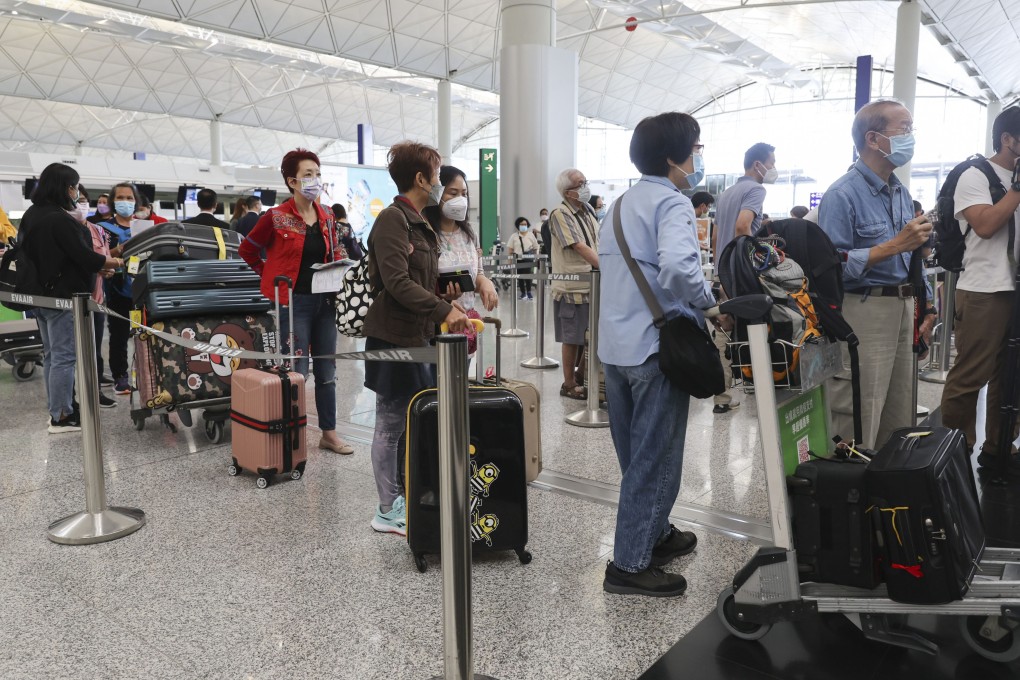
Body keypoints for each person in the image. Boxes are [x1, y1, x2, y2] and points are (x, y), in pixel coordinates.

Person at [598, 111, 721, 597]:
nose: (698, 156)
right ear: (674, 157)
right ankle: (628, 564)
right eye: (695, 147)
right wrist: (710, 306)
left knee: (636, 454)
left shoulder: (620, 203)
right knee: (657, 458)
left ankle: (656, 531)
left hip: (615, 346)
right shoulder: (672, 204)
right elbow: (678, 271)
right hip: (655, 348)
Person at [362, 141, 469, 536]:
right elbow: (396, 282)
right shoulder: (393, 220)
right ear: (421, 179)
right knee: (390, 425)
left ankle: (403, 495)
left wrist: (447, 293)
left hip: (419, 336)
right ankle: (386, 508)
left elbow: (421, 279)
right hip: (393, 338)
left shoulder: (419, 221)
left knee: (409, 421)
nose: (441, 182)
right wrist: (445, 310)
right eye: (438, 175)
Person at [819, 99, 934, 448]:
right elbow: (831, 267)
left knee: (899, 411)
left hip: (902, 306)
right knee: (859, 408)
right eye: (904, 128)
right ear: (873, 139)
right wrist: (893, 245)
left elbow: (912, 252)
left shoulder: (899, 190)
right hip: (863, 309)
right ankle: (851, 490)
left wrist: (925, 305)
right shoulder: (842, 194)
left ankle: (888, 493)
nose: (910, 136)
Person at [239, 148, 355, 457]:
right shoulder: (275, 216)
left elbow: (333, 252)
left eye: (317, 174)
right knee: (297, 371)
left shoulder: (327, 214)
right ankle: (294, 431)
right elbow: (248, 251)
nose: (314, 180)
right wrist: (271, 278)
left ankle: (328, 433)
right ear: (292, 181)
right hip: (294, 303)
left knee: (328, 370)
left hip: (326, 303)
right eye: (308, 175)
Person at [941, 106, 1020, 477]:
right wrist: (1017, 188)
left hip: (1015, 289)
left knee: (1010, 376)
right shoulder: (975, 175)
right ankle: (954, 453)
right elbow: (986, 225)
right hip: (984, 290)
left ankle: (999, 447)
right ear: (1007, 139)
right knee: (970, 375)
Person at [19, 164, 122, 433]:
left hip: (39, 296)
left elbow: (57, 256)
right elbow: (84, 256)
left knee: (52, 355)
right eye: (75, 186)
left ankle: (57, 407)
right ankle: (62, 415)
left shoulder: (32, 215)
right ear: (67, 187)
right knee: (65, 357)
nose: (77, 192)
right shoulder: (59, 219)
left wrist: (99, 264)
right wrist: (114, 262)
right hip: (63, 298)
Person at [710, 143, 777, 414]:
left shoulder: (726, 193)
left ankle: (722, 395)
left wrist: (721, 269)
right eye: (771, 162)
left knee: (723, 329)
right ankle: (755, 384)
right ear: (757, 164)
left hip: (722, 272)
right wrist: (746, 267)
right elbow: (742, 226)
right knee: (755, 326)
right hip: (739, 272)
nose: (773, 168)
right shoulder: (756, 189)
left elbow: (716, 238)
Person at [548, 168, 600, 400]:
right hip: (572, 286)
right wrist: (605, 266)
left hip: (593, 283)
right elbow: (578, 245)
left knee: (591, 334)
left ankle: (580, 374)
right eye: (580, 184)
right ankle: (568, 383)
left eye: (585, 181)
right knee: (573, 336)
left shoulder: (588, 210)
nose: (585, 187)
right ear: (568, 192)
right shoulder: (560, 213)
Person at [424, 165, 498, 316]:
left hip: (467, 318)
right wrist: (443, 297)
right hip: (437, 320)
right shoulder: (425, 233)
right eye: (453, 193)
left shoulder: (469, 233)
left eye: (464, 194)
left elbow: (478, 273)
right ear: (437, 194)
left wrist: (485, 282)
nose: (461, 200)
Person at [72, 186, 117, 404]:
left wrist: (109, 269)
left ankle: (96, 392)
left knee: (96, 347)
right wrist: (96, 266)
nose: (81, 204)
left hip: (97, 299)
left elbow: (106, 258)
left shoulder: (98, 230)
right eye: (77, 200)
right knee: (70, 353)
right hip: (71, 302)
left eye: (83, 200)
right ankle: (71, 398)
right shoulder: (66, 229)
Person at [97, 182, 141, 395]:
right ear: (113, 201)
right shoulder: (103, 229)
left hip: (144, 289)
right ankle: (120, 376)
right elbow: (98, 257)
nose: (126, 202)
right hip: (117, 289)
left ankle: (148, 371)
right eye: (121, 197)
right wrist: (118, 250)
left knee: (147, 334)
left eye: (130, 198)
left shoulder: (143, 226)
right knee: (119, 336)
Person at [507, 216, 540, 300]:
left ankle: (529, 292)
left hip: (528, 259)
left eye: (525, 224)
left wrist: (536, 257)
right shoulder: (514, 236)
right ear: (518, 225)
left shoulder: (531, 235)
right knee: (520, 277)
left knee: (528, 276)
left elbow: (536, 247)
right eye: (521, 224)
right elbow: (510, 249)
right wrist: (510, 261)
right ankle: (523, 293)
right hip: (518, 260)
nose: (523, 225)